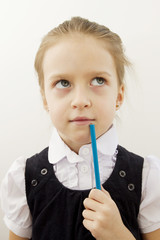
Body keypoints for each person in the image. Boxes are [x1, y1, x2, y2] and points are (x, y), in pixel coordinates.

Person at [1, 16, 160, 240]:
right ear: (45, 99)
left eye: (97, 80)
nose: (81, 100)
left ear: (119, 95)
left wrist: (119, 235)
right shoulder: (23, 178)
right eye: (63, 83)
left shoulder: (147, 177)